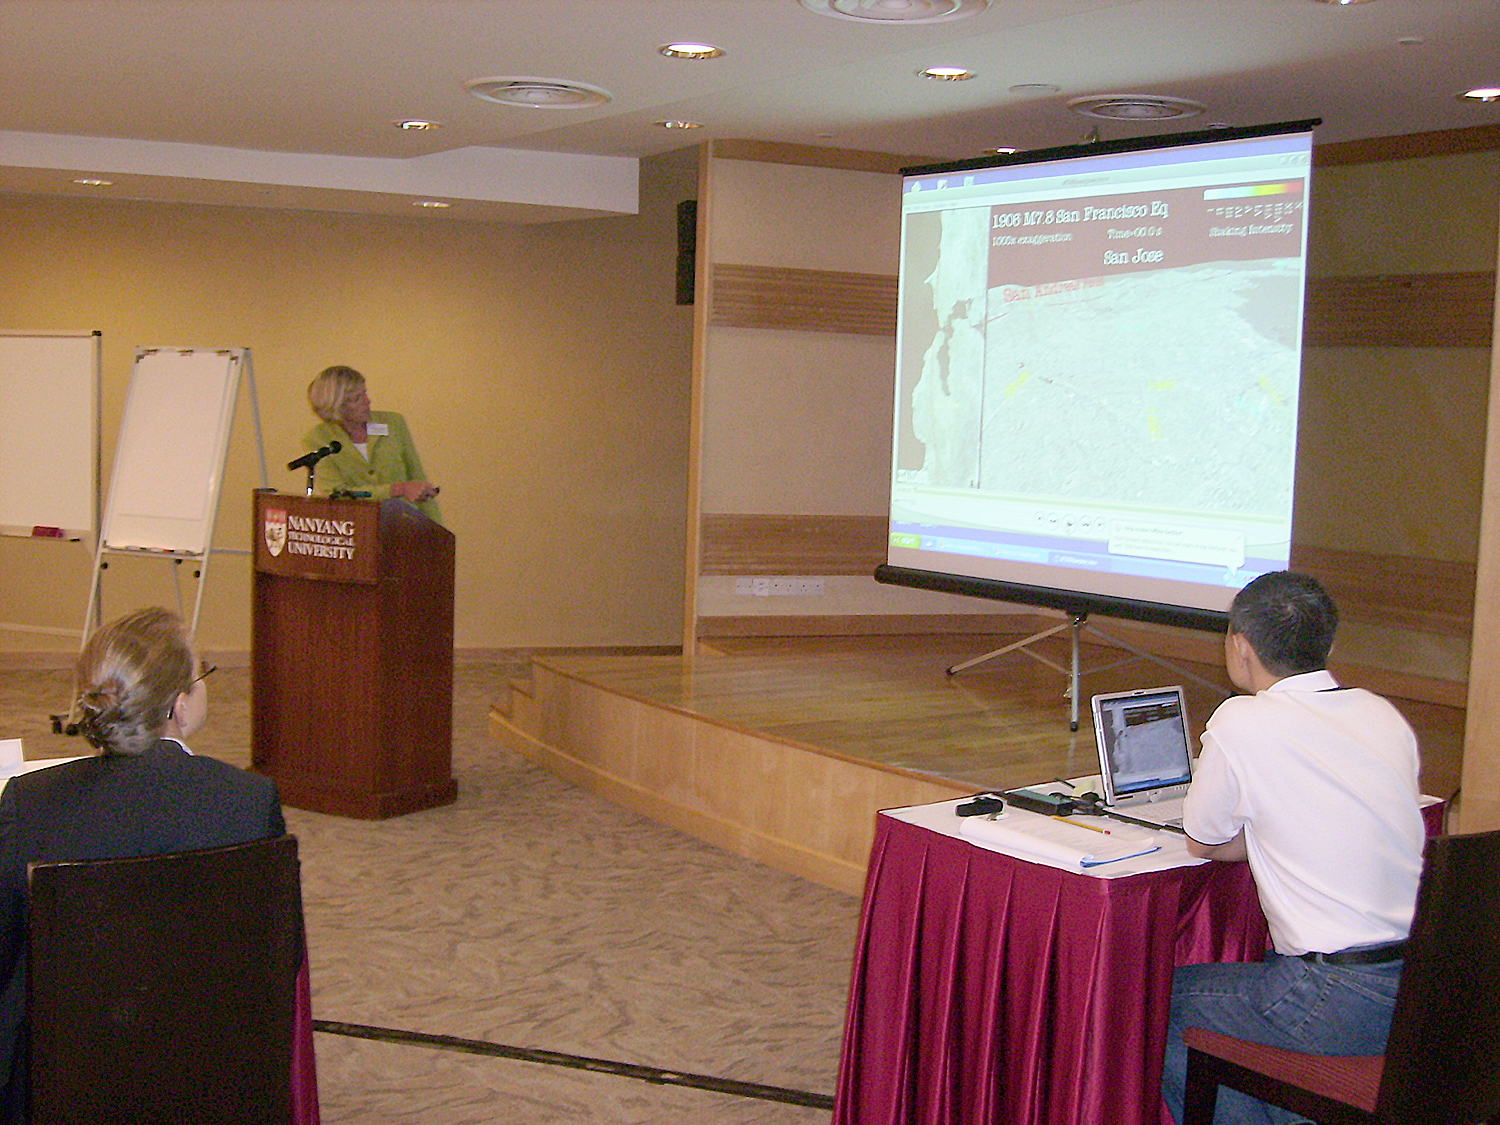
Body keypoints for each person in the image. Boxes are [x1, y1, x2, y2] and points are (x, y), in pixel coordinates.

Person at [0, 608, 286, 1121]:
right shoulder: (247, 801)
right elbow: (278, 957)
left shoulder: (30, 803)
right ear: (179, 705)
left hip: (59, 1074)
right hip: (210, 1066)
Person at [1161, 571, 1425, 1125]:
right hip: (1417, 986)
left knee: (1157, 1003)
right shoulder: (1381, 714)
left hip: (1331, 994)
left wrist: (1256, 835)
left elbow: (1204, 839)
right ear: (1329, 642)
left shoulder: (1243, 719)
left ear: (1240, 645)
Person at [303, 364, 443, 524]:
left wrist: (437, 528)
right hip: (357, 526)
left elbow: (418, 477)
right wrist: (397, 489)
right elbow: (337, 493)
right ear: (336, 407)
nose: (368, 401)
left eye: (365, 393)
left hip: (404, 523)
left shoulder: (393, 423)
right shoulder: (317, 439)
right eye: (357, 398)